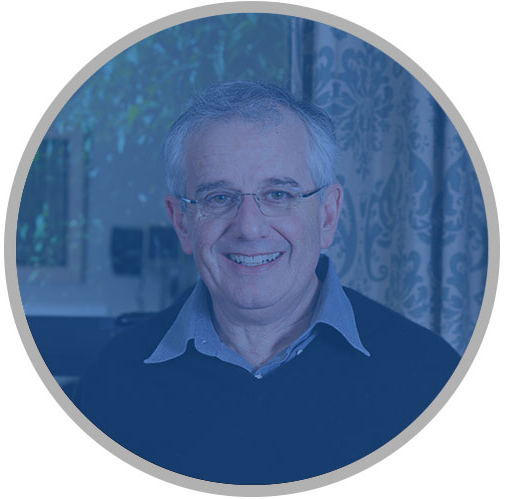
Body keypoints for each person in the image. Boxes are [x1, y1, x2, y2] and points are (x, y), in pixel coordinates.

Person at [74, 81, 460, 485]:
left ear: (328, 215)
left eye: (278, 194)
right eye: (218, 198)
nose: (249, 228)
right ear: (182, 222)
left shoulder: (430, 377)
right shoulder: (113, 382)